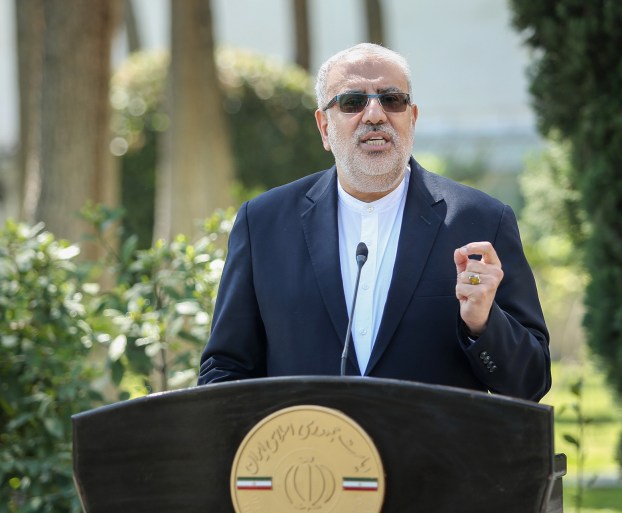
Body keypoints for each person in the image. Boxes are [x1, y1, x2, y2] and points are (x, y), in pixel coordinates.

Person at [197, 43, 550, 401]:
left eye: (392, 99)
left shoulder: (481, 221)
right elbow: (226, 370)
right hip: (307, 454)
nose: (375, 115)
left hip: (434, 456)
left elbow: (531, 383)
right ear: (323, 126)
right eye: (353, 102)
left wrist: (484, 324)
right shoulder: (263, 225)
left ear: (412, 118)